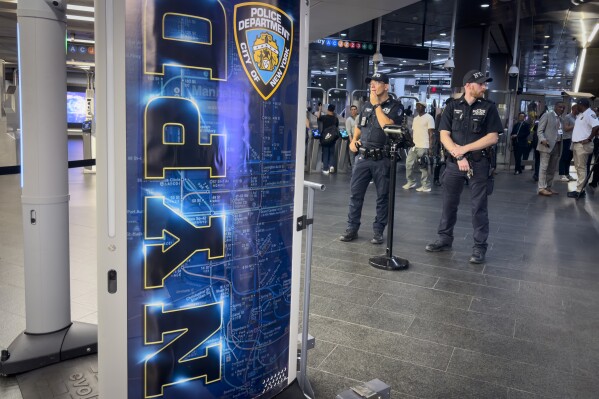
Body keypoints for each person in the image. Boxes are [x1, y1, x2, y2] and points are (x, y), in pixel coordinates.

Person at [425, 70, 502, 264]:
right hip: (454, 163)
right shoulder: (452, 107)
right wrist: (458, 155)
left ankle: (479, 247)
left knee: (479, 207)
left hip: (479, 163)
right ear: (468, 85)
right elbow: (444, 135)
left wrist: (465, 149)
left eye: (485, 84)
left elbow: (492, 137)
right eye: (481, 84)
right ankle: (444, 238)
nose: (484, 87)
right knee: (449, 203)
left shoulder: (488, 107)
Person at [339, 72, 404, 244]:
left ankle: (378, 231)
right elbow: (360, 126)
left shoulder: (396, 106)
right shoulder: (366, 105)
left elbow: (388, 126)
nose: (373, 85)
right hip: (363, 157)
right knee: (355, 194)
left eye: (377, 82)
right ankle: (352, 228)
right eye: (371, 82)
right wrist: (353, 141)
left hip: (382, 158)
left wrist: (377, 107)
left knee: (383, 196)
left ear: (386, 86)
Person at [568, 98, 599, 198]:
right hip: (577, 144)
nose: (576, 107)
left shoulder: (590, 114)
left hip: (583, 145)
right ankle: (580, 188)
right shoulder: (581, 114)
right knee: (578, 167)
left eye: (577, 105)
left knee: (581, 167)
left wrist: (589, 139)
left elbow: (596, 126)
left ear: (582, 105)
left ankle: (580, 191)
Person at [403, 101, 435, 192]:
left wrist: (430, 147)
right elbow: (414, 132)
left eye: (419, 106)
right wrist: (411, 142)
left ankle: (426, 186)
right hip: (414, 145)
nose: (417, 107)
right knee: (408, 164)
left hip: (424, 145)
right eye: (416, 106)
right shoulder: (416, 118)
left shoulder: (429, 118)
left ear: (424, 107)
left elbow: (431, 134)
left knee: (423, 166)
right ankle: (411, 182)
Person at [536, 102, 565, 196]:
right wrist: (543, 139)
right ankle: (541, 188)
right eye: (560, 107)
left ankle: (548, 187)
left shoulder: (561, 119)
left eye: (563, 108)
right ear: (555, 106)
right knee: (544, 168)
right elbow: (540, 130)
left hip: (557, 146)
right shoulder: (547, 115)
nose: (562, 109)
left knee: (552, 169)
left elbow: (559, 132)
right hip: (546, 145)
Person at [317, 103, 339, 174]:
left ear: (327, 109)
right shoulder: (336, 119)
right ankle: (331, 166)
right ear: (334, 110)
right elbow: (336, 127)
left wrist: (320, 109)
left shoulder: (324, 117)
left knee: (326, 152)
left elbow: (318, 117)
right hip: (333, 138)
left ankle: (325, 168)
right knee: (332, 153)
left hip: (325, 137)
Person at [559, 104, 578, 181]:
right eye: (578, 108)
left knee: (569, 157)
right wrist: (576, 125)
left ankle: (567, 174)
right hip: (567, 139)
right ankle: (561, 174)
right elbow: (566, 128)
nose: (579, 110)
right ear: (573, 109)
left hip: (574, 139)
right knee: (564, 156)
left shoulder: (576, 117)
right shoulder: (567, 117)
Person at [345, 104, 359, 169]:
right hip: (352, 138)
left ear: (357, 110)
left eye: (354, 109)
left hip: (360, 139)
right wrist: (351, 140)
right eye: (352, 110)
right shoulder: (349, 119)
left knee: (359, 155)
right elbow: (348, 130)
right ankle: (354, 169)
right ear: (350, 111)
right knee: (352, 156)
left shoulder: (359, 117)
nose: (353, 111)